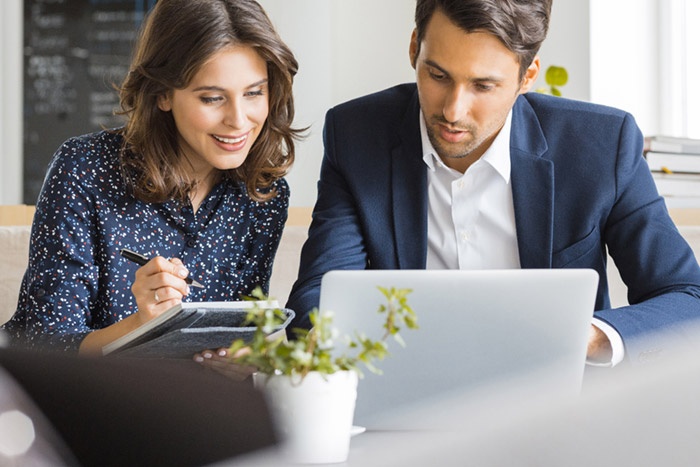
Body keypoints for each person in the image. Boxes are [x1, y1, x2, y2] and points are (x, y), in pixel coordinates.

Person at [286, 0, 700, 366]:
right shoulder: (356, 133)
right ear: (414, 47)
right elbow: (318, 298)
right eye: (438, 75)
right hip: (405, 400)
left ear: (527, 76)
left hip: (560, 408)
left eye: (483, 85)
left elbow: (687, 297)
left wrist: (587, 337)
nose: (453, 110)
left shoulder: (601, 145)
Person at [2, 0, 303, 354]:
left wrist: (241, 361)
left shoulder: (264, 195)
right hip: (87, 402)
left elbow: (245, 333)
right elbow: (40, 345)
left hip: (199, 405)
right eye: (212, 98)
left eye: (254, 92)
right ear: (162, 94)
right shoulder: (83, 169)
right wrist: (143, 324)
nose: (239, 120)